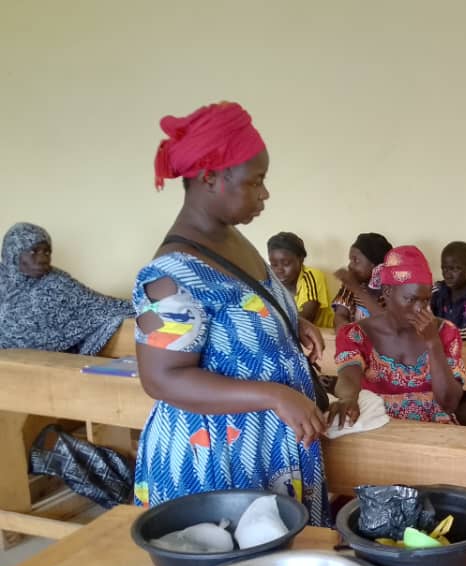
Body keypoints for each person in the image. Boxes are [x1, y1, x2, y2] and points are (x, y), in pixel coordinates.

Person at [133, 101, 328, 525]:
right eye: (255, 181)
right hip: (213, 462)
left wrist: (292, 322)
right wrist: (274, 395)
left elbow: (244, 308)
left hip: (265, 448)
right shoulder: (170, 273)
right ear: (210, 178)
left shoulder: (232, 240)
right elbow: (162, 378)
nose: (265, 193)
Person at [333, 245, 465, 423]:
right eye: (411, 299)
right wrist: (347, 399)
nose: (420, 309)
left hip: (435, 436)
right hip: (379, 429)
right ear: (387, 292)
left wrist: (433, 344)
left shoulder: (445, 332)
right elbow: (348, 375)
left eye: (426, 300)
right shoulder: (357, 334)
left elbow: (449, 403)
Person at [0, 223, 132, 354]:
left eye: (47, 252)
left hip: (46, 365)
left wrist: (146, 304)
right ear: (13, 253)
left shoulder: (58, 283)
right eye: (33, 251)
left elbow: (101, 305)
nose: (42, 259)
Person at [267, 231, 334, 328]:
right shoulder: (269, 280)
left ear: (301, 259)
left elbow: (307, 317)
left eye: (286, 263)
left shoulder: (312, 275)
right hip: (289, 336)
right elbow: (262, 311)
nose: (279, 270)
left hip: (322, 335)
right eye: (274, 265)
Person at [331, 232, 391, 328]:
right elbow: (339, 316)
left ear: (375, 265)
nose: (350, 266)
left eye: (356, 260)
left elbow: (387, 325)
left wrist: (357, 289)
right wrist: (349, 334)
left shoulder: (390, 291)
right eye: (350, 260)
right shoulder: (350, 284)